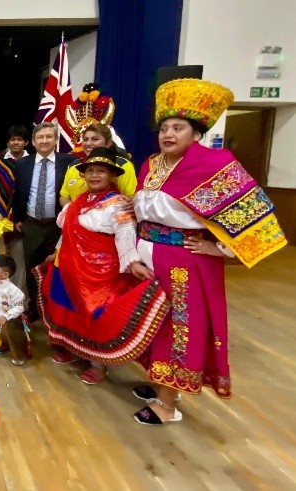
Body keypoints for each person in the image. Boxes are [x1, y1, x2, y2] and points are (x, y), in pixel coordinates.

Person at [131, 77, 287, 425]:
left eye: (178, 127)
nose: (168, 134)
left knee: (179, 328)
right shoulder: (152, 165)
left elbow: (255, 219)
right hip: (148, 256)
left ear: (196, 133)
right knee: (153, 322)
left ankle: (168, 405)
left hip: (183, 262)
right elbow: (143, 210)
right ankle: (159, 385)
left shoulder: (213, 166)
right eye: (164, 128)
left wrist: (217, 248)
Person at [36, 147, 167, 385]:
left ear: (111, 175)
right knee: (67, 308)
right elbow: (67, 231)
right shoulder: (78, 202)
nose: (94, 175)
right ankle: (74, 350)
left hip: (99, 273)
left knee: (95, 313)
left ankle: (98, 363)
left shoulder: (117, 205)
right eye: (91, 171)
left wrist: (133, 262)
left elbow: (125, 235)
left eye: (101, 171)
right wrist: (55, 253)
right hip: (68, 267)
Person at [10, 122, 76, 321]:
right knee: (32, 270)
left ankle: (55, 312)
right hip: (31, 225)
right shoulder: (22, 164)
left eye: (49, 137)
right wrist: (19, 218)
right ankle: (35, 309)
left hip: (58, 226)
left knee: (57, 270)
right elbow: (19, 193)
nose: (44, 140)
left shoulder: (69, 162)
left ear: (56, 140)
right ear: (33, 141)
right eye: (40, 137)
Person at [0, 125, 31, 294]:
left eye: (19, 139)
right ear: (8, 142)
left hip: (20, 219)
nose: (15, 142)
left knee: (18, 259)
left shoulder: (31, 163)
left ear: (26, 142)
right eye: (12, 139)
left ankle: (17, 294)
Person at [59, 123, 137, 205]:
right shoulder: (73, 166)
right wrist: (74, 212)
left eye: (95, 139)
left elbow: (130, 198)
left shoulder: (123, 165)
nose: (88, 143)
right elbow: (64, 196)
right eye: (85, 139)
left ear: (108, 143)